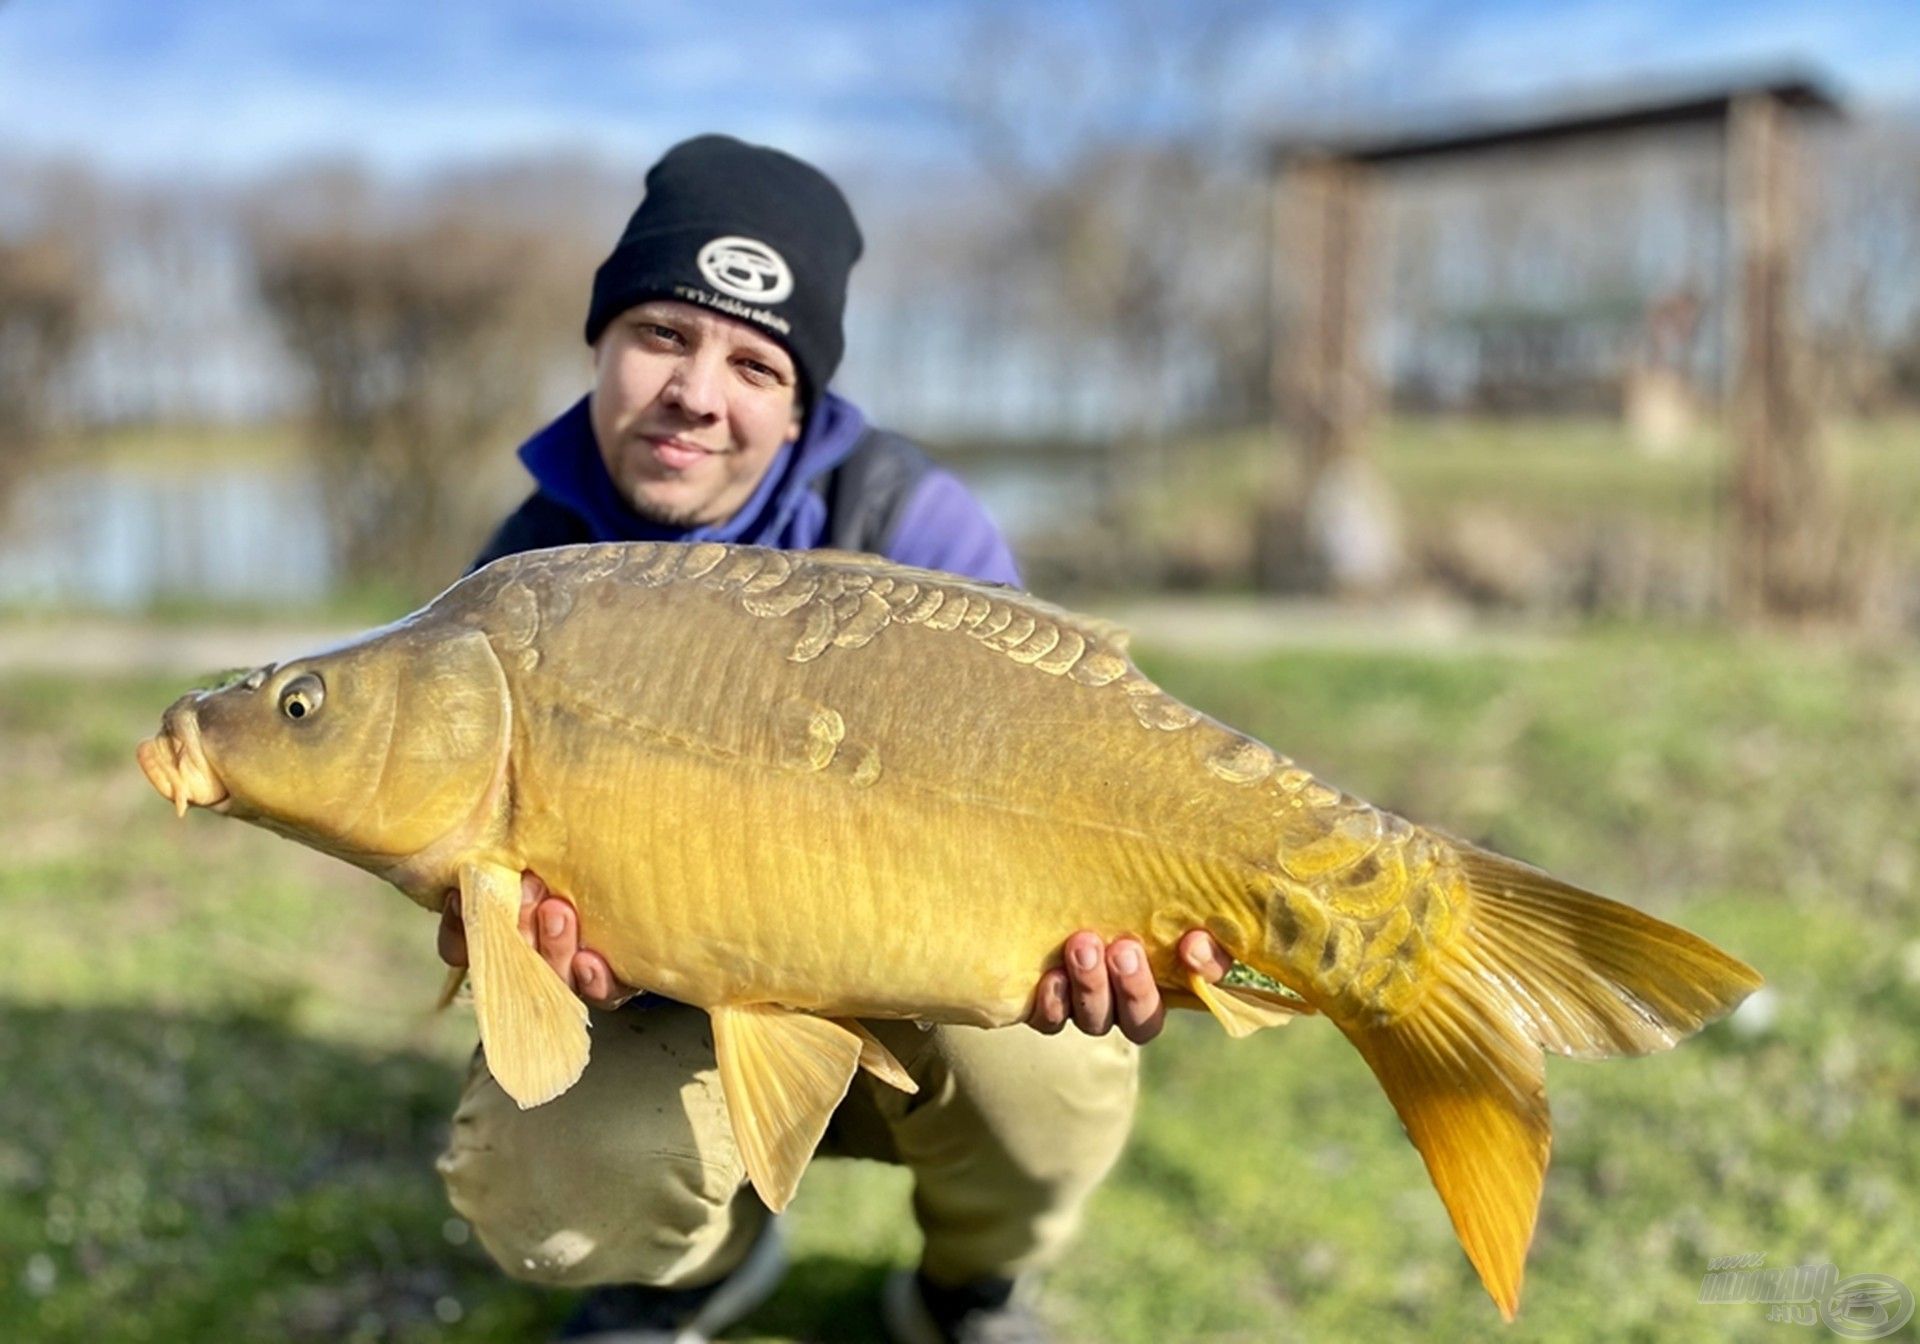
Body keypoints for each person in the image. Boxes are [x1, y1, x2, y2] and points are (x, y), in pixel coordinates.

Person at [431, 134, 1228, 1344]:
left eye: (754, 362)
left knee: (1051, 1069)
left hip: (930, 985)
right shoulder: (523, 573)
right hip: (672, 1007)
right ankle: (695, 1274)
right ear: (598, 341)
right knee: (550, 1179)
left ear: (803, 402)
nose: (697, 392)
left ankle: (973, 1288)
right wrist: (508, 938)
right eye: (661, 335)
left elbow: (1062, 773)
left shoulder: (915, 525)